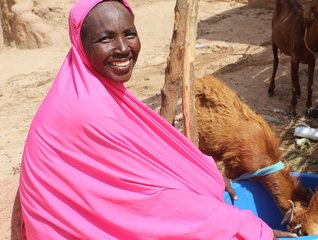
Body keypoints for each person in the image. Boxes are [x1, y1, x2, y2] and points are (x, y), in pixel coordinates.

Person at [18, 0, 298, 239]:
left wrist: (201, 173)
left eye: (129, 34)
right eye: (106, 38)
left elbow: (145, 160)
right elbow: (146, 204)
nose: (123, 48)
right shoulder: (88, 109)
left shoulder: (89, 87)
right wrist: (244, 226)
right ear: (80, 43)